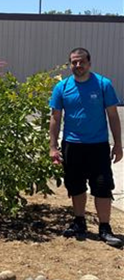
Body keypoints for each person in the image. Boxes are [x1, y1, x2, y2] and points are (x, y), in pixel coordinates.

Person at [49, 47, 123, 248]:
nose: (78, 65)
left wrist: (118, 144)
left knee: (102, 186)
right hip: (72, 145)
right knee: (76, 186)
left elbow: (113, 116)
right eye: (74, 62)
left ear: (89, 63)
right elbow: (55, 118)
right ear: (70, 64)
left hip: (97, 146)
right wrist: (53, 147)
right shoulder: (62, 88)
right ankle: (79, 222)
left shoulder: (102, 84)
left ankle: (105, 228)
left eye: (81, 62)